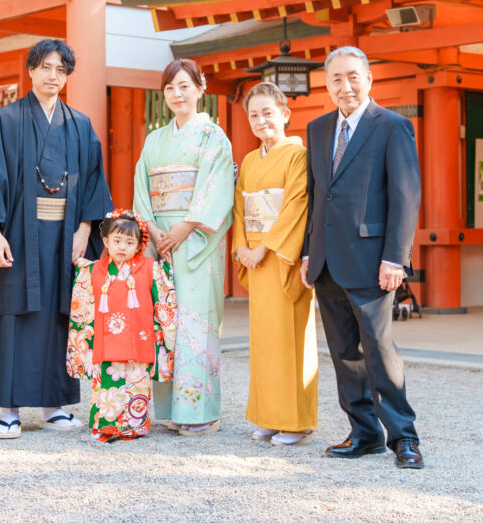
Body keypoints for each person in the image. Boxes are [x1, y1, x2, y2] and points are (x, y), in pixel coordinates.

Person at [0, 39, 112, 439]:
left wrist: (85, 229)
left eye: (61, 70)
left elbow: (93, 180)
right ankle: (9, 408)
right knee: (15, 311)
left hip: (67, 234)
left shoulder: (79, 125)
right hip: (18, 230)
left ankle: (54, 405)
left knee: (61, 314)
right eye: (46, 67)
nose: (53, 76)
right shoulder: (6, 121)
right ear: (31, 70)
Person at [299, 45, 424, 469]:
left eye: (353, 76)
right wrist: (305, 252)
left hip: (374, 261)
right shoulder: (317, 130)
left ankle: (404, 437)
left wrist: (396, 258)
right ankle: (364, 433)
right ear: (327, 84)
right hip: (326, 261)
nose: (345, 86)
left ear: (369, 79)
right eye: (336, 78)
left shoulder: (392, 126)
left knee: (379, 349)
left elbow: (406, 196)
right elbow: (315, 197)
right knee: (343, 353)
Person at [133, 58, 234, 436]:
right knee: (165, 322)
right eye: (170, 88)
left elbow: (217, 187)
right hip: (160, 239)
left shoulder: (213, 137)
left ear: (200, 88)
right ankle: (167, 408)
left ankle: (200, 410)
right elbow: (143, 189)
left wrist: (186, 226)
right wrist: (156, 235)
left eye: (184, 86)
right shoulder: (154, 139)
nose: (177, 94)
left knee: (196, 323)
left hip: (196, 241)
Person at [232, 82, 318, 447]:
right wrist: (242, 249)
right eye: (254, 114)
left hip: (283, 257)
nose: (261, 120)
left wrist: (264, 248)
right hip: (255, 258)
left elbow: (296, 204)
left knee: (290, 342)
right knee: (263, 343)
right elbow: (240, 210)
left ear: (285, 114)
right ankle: (268, 415)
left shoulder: (298, 156)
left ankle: (295, 422)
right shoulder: (250, 160)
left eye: (268, 112)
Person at [66, 210, 177, 442]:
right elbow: (83, 302)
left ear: (139, 246)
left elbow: (163, 302)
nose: (122, 247)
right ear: (105, 241)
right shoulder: (95, 270)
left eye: (129, 242)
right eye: (116, 241)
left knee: (138, 382)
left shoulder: (150, 268)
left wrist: (167, 267)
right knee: (107, 384)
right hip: (108, 340)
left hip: (139, 337)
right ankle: (105, 426)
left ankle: (133, 427)